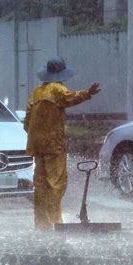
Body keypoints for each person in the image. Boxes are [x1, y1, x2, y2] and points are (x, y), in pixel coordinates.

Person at [24, 56, 101, 231]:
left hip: (36, 145)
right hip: (53, 145)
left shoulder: (36, 91)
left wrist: (36, 135)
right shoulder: (58, 90)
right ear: (61, 74)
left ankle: (42, 225)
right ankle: (55, 223)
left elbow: (27, 120)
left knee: (40, 184)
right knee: (56, 184)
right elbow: (72, 98)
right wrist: (88, 93)